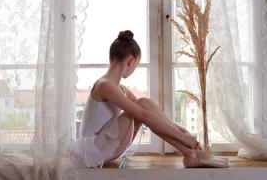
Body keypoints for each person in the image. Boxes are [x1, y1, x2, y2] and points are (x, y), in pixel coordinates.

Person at [69, 30, 229, 168]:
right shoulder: (105, 86)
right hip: (91, 151)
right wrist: (185, 137)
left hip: (104, 148)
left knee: (144, 102)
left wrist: (182, 132)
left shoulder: (119, 88)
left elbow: (149, 109)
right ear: (131, 61)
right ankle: (190, 150)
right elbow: (143, 115)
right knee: (141, 107)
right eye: (136, 65)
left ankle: (191, 153)